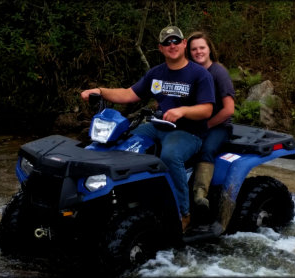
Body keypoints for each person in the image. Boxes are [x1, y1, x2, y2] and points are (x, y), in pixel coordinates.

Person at [81, 26, 215, 233]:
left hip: (189, 132)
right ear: (161, 48)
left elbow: (207, 109)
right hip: (158, 126)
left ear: (184, 44)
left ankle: (183, 214)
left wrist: (183, 111)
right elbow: (128, 94)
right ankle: (119, 201)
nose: (172, 45)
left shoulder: (199, 74)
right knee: (121, 146)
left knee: (170, 157)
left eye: (176, 41)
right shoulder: (156, 73)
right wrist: (100, 91)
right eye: (167, 43)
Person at [187, 31, 235, 229]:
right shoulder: (189, 72)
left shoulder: (218, 73)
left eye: (202, 48)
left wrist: (207, 125)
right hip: (195, 123)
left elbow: (229, 109)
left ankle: (200, 196)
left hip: (219, 125)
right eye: (194, 49)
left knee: (205, 149)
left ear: (209, 49)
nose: (198, 52)